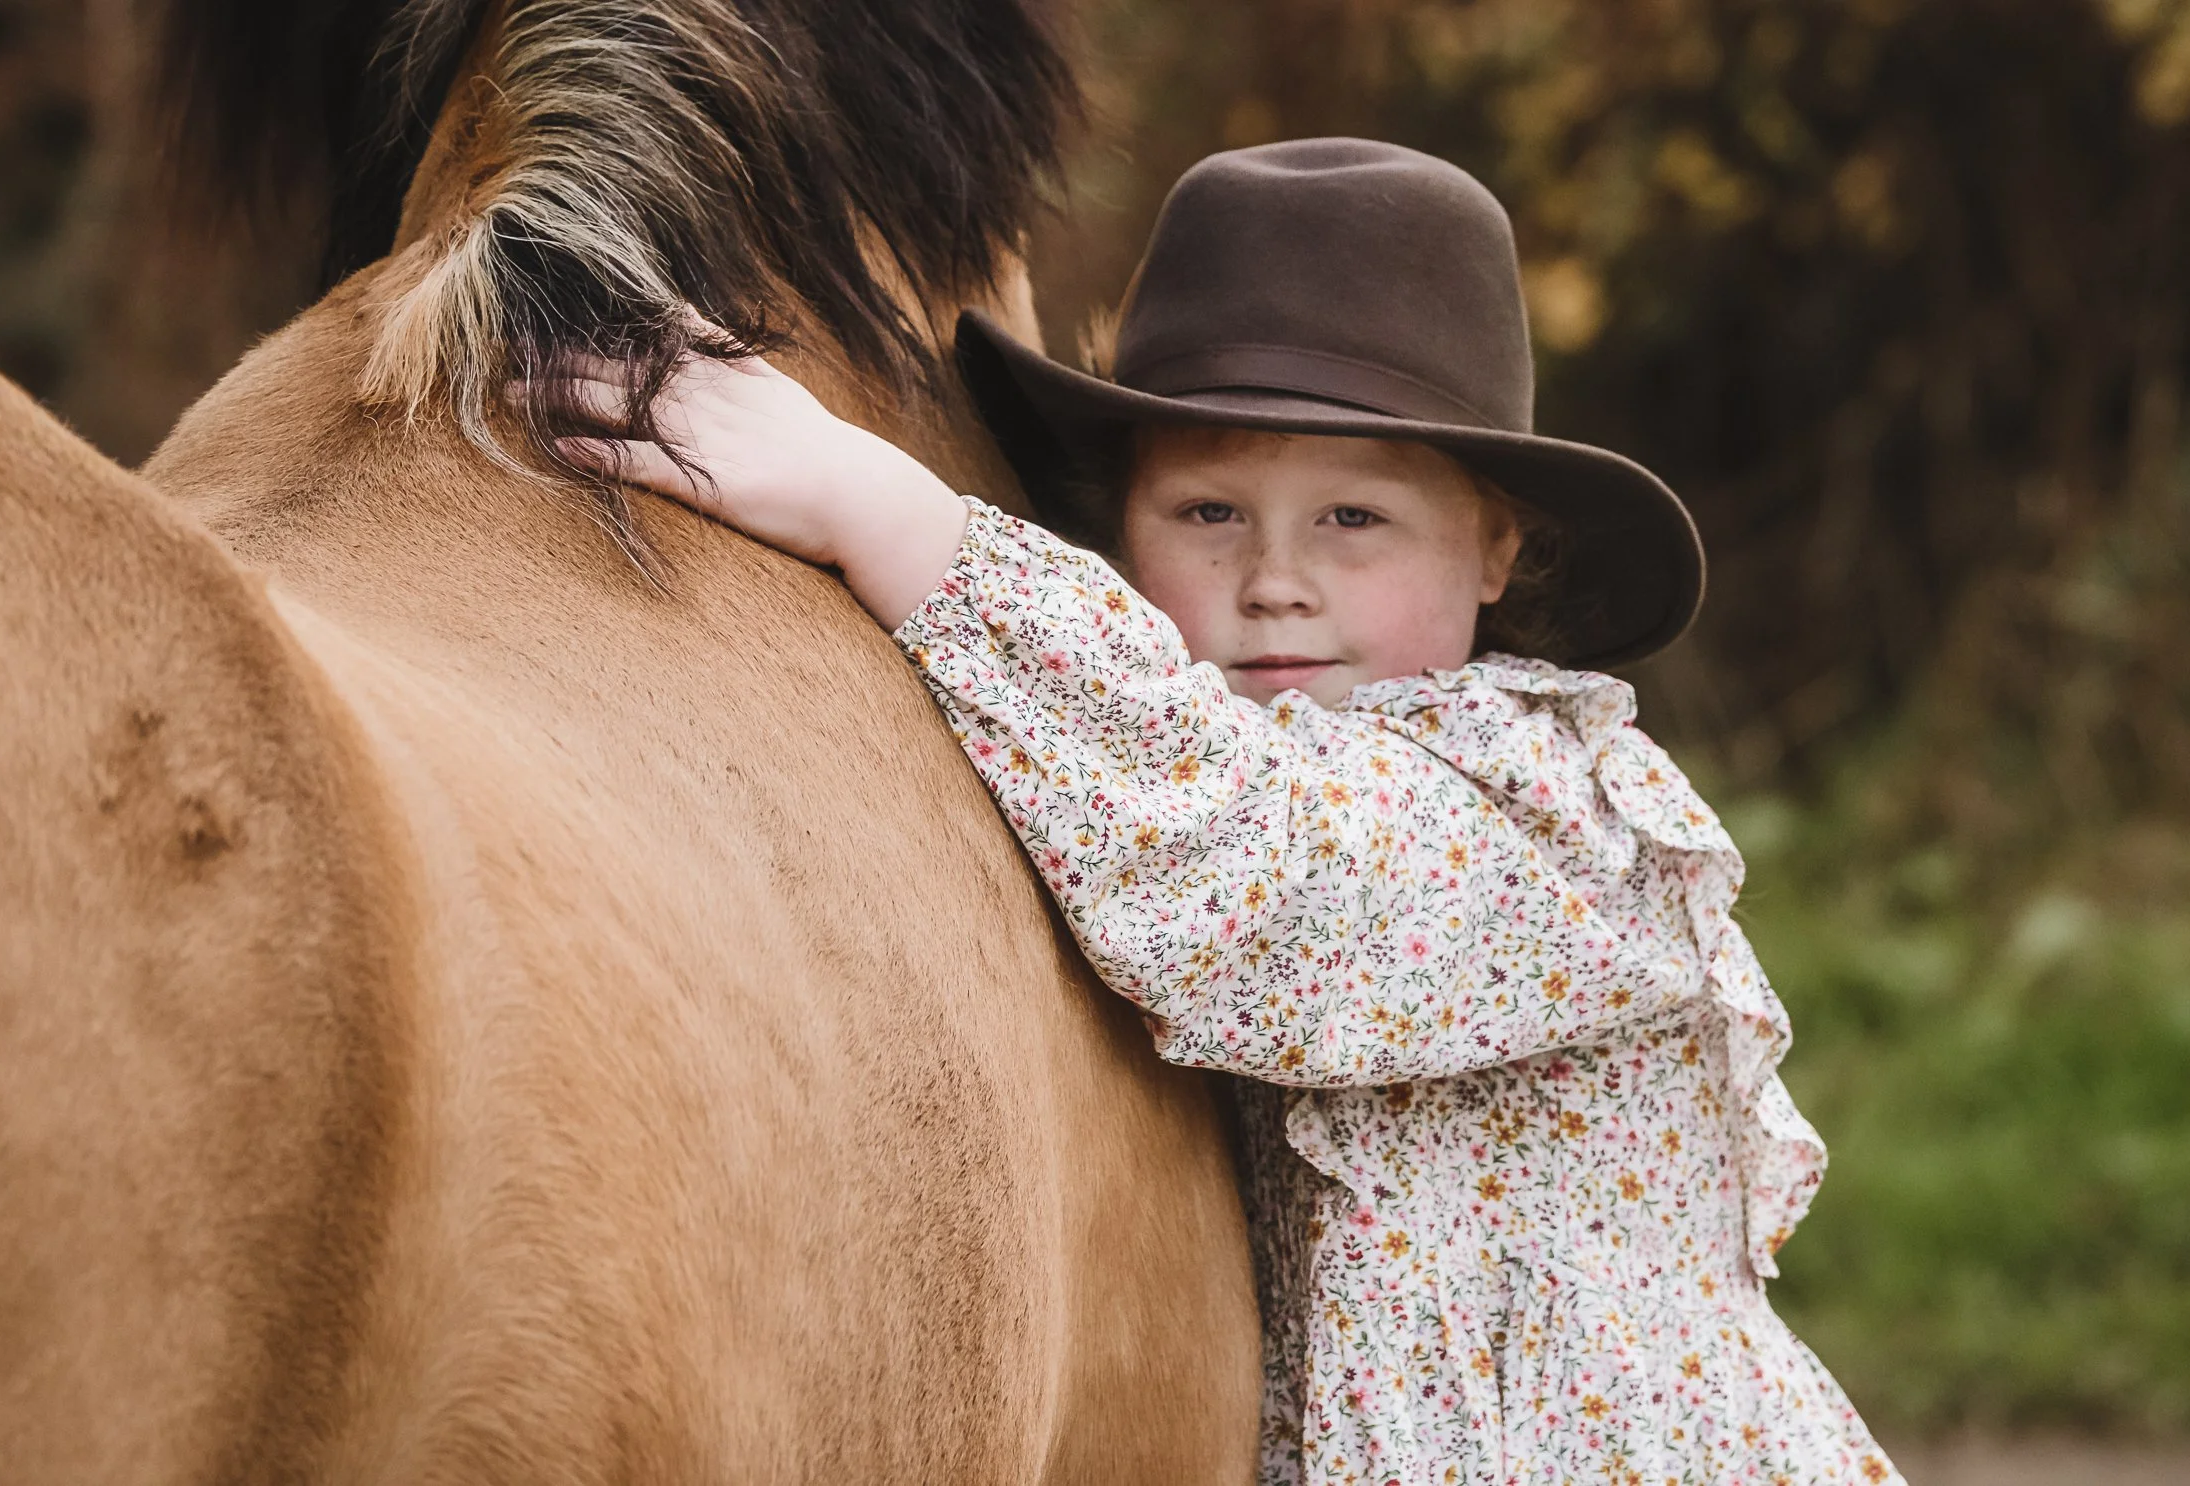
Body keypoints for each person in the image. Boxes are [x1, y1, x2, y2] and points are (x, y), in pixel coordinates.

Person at [547, 139, 1902, 1486]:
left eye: (1354, 518)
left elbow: (1266, 874)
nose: (1274, 582)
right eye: (1209, 510)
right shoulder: (1117, 753)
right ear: (1122, 532)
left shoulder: (1555, 809)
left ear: (1497, 543)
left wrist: (877, 508)